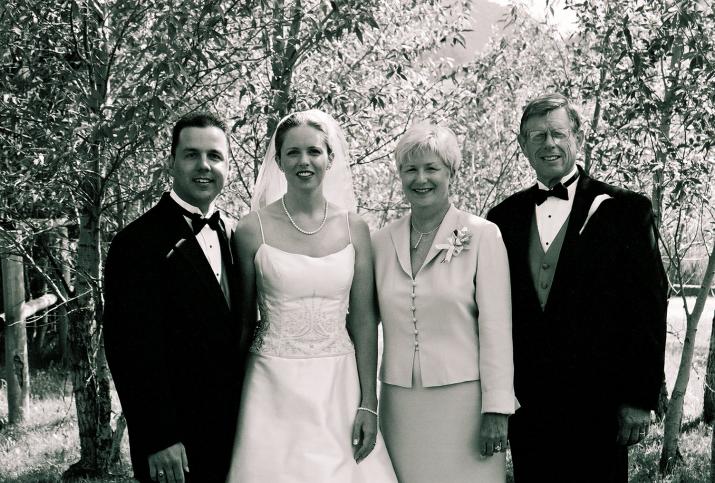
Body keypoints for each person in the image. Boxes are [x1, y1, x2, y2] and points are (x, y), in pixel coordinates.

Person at [486, 93, 668, 482]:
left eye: (557, 133)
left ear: (578, 138)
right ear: (522, 145)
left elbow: (648, 307)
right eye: (537, 136)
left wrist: (638, 398)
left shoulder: (626, 210)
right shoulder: (502, 219)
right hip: (529, 404)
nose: (548, 144)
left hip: (599, 403)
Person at [226, 109, 397, 482]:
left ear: (329, 159)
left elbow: (365, 320)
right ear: (280, 162)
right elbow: (241, 321)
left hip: (339, 383)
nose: (304, 161)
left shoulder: (356, 229)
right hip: (271, 384)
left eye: (314, 152)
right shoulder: (251, 230)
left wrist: (369, 402)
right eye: (293, 153)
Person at [104, 112, 244, 483]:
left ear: (228, 165)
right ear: (171, 162)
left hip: (238, 433)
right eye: (191, 154)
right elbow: (128, 348)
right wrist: (159, 436)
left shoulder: (238, 234)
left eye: (215, 156)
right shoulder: (135, 243)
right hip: (175, 446)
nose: (204, 166)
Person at [372, 123, 516, 483]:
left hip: (465, 402)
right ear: (400, 175)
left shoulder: (482, 235)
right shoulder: (379, 242)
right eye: (410, 169)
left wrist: (496, 408)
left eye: (431, 168)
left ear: (452, 172)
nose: (421, 179)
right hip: (400, 403)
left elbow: (497, 327)